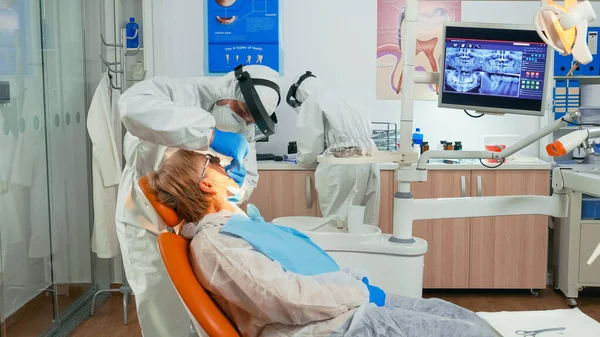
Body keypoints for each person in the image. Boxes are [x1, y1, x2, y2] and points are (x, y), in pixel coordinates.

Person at [148, 149, 496, 337]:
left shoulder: (236, 225)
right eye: (212, 162)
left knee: (466, 319)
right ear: (206, 185)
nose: (224, 165)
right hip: (332, 328)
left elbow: (296, 269)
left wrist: (353, 284)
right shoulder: (218, 245)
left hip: (345, 308)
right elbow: (285, 298)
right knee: (471, 334)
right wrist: (355, 289)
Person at [115, 65, 281, 337]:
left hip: (199, 220)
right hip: (146, 213)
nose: (242, 123)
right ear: (232, 88)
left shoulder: (245, 128)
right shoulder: (180, 92)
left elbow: (247, 179)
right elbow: (130, 107)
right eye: (240, 111)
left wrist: (236, 187)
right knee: (160, 303)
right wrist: (211, 136)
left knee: (199, 306)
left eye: (249, 120)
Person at [286, 71, 381, 228]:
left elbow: (310, 151)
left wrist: (303, 160)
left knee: (338, 225)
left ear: (300, 92)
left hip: (342, 164)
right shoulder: (348, 96)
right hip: (369, 160)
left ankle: (339, 254)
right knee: (365, 224)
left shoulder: (312, 101)